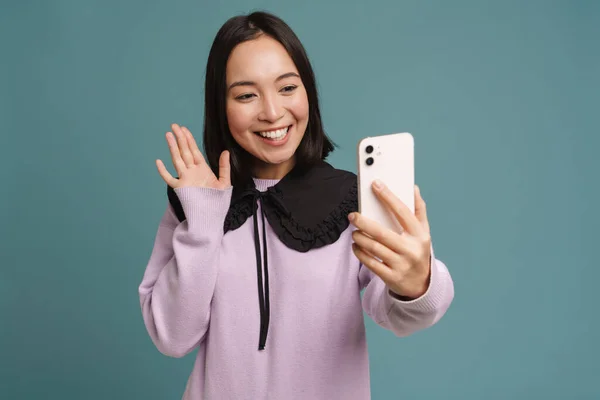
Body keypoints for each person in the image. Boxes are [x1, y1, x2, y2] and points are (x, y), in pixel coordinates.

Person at [138, 10, 454, 400]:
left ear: (308, 92)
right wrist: (203, 220)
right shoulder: (195, 202)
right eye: (246, 95)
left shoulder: (350, 199)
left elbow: (404, 316)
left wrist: (417, 283)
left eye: (287, 88)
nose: (272, 112)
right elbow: (172, 337)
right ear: (220, 105)